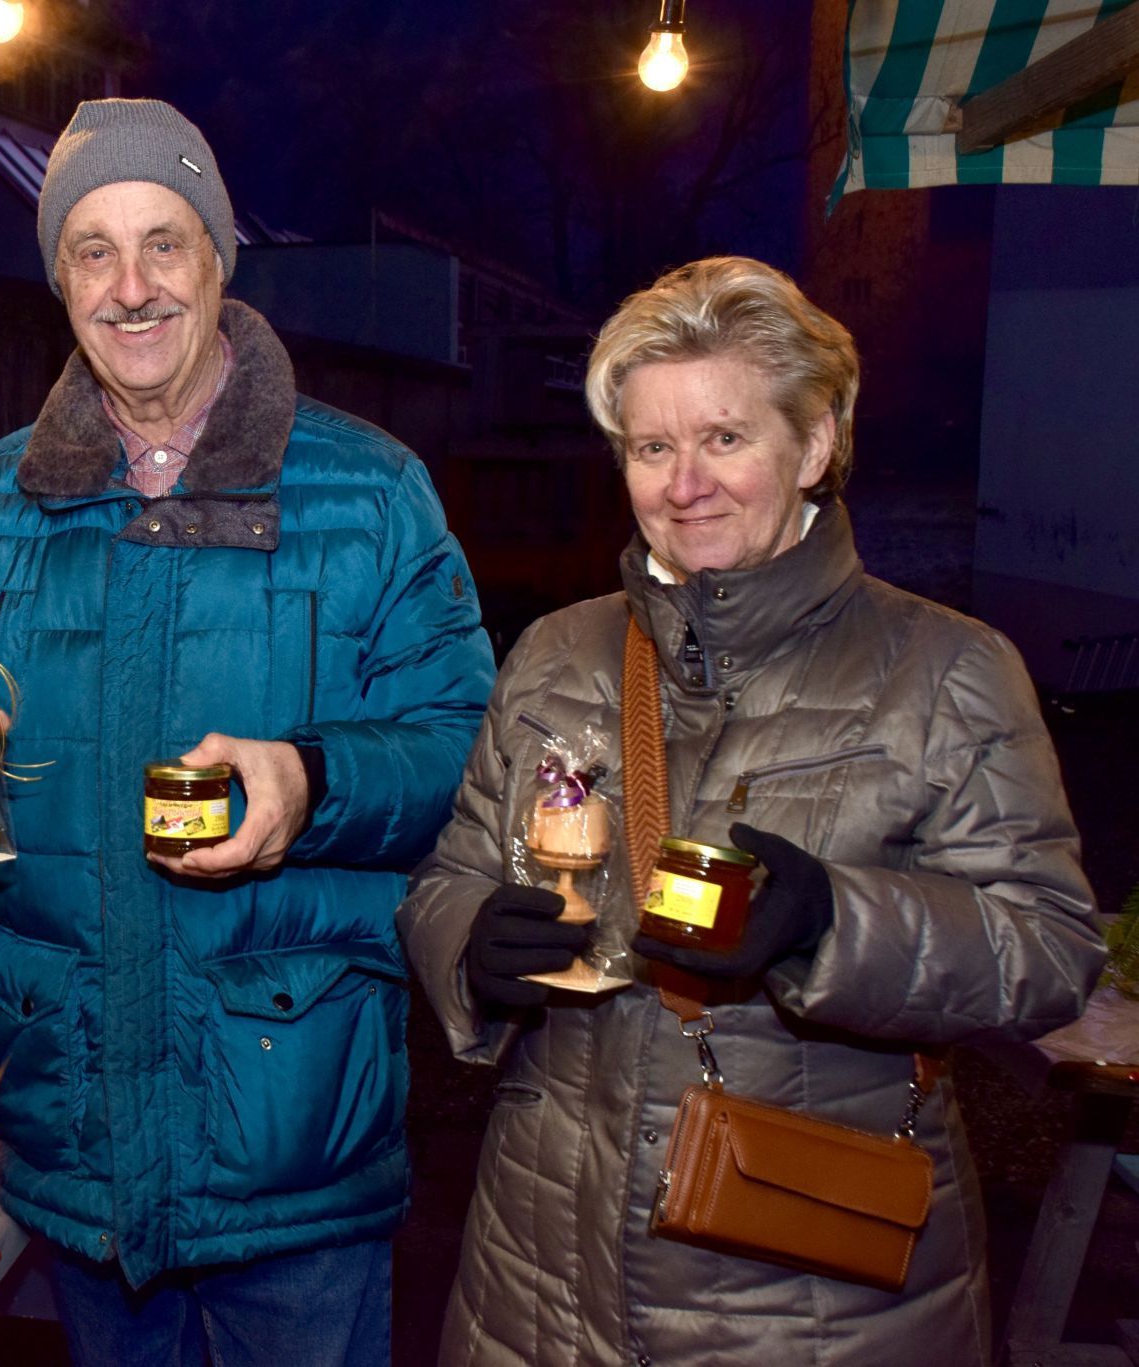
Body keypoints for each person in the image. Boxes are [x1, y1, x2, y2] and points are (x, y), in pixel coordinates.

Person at [0, 98, 494, 1366]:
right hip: (72, 1127)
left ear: (218, 261)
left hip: (290, 1132)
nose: (131, 284)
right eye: (91, 248)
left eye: (165, 241)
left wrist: (309, 777)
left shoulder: (365, 490)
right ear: (57, 279)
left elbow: (464, 750)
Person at [399, 256, 1104, 1366]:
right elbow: (446, 877)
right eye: (650, 446)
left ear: (812, 443)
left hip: (808, 1296)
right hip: (539, 1279)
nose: (685, 483)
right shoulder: (554, 654)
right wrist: (467, 947)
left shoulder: (944, 670)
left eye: (723, 437)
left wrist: (834, 919)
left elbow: (1049, 944)